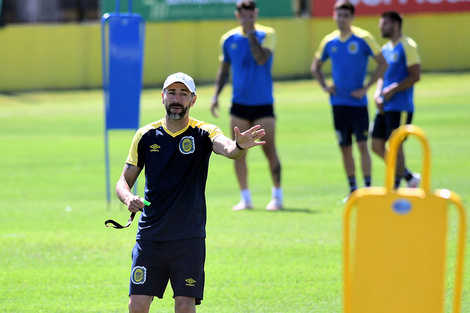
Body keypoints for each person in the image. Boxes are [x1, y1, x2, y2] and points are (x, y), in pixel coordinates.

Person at [116, 72, 266, 313]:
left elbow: (228, 149)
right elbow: (123, 180)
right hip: (150, 236)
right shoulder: (145, 135)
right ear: (162, 97)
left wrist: (239, 146)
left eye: (183, 94)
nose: (177, 98)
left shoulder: (204, 131)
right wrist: (128, 198)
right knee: (137, 305)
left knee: (185, 306)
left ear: (193, 100)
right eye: (172, 93)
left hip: (188, 237)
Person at [210, 0, 283, 211]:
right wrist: (215, 95)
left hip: (263, 104)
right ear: (237, 15)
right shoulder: (228, 39)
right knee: (238, 150)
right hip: (239, 104)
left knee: (270, 149)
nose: (247, 18)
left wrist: (251, 34)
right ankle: (245, 198)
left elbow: (261, 59)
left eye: (251, 14)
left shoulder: (267, 34)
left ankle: (277, 196)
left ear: (256, 14)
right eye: (243, 15)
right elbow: (224, 69)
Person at [311, 0, 388, 198]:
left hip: (358, 104)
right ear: (334, 16)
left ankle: (368, 188)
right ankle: (353, 189)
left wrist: (366, 87)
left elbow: (382, 63)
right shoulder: (329, 41)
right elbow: (315, 66)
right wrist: (325, 86)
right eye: (339, 15)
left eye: (346, 15)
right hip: (338, 103)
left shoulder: (363, 38)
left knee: (362, 145)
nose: (342, 19)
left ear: (352, 17)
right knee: (345, 147)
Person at [371, 11, 421, 188]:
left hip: (400, 105)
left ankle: (396, 186)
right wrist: (378, 94)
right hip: (384, 105)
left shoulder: (407, 46)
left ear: (395, 24)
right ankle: (408, 176)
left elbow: (415, 75)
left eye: (383, 23)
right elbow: (382, 77)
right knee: (376, 144)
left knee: (396, 144)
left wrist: (394, 89)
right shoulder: (385, 49)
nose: (380, 27)